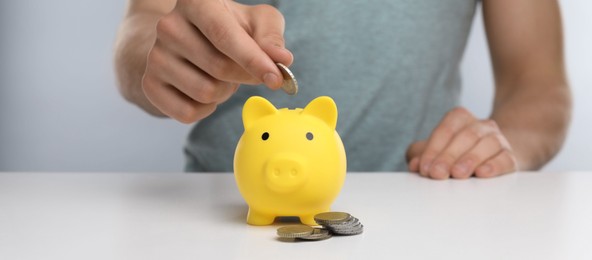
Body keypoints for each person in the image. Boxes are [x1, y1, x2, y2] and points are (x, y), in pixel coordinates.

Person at [114, 0, 571, 179]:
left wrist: (505, 144)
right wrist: (161, 59)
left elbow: (539, 85)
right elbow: (144, 25)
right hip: (227, 211)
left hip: (425, 205)